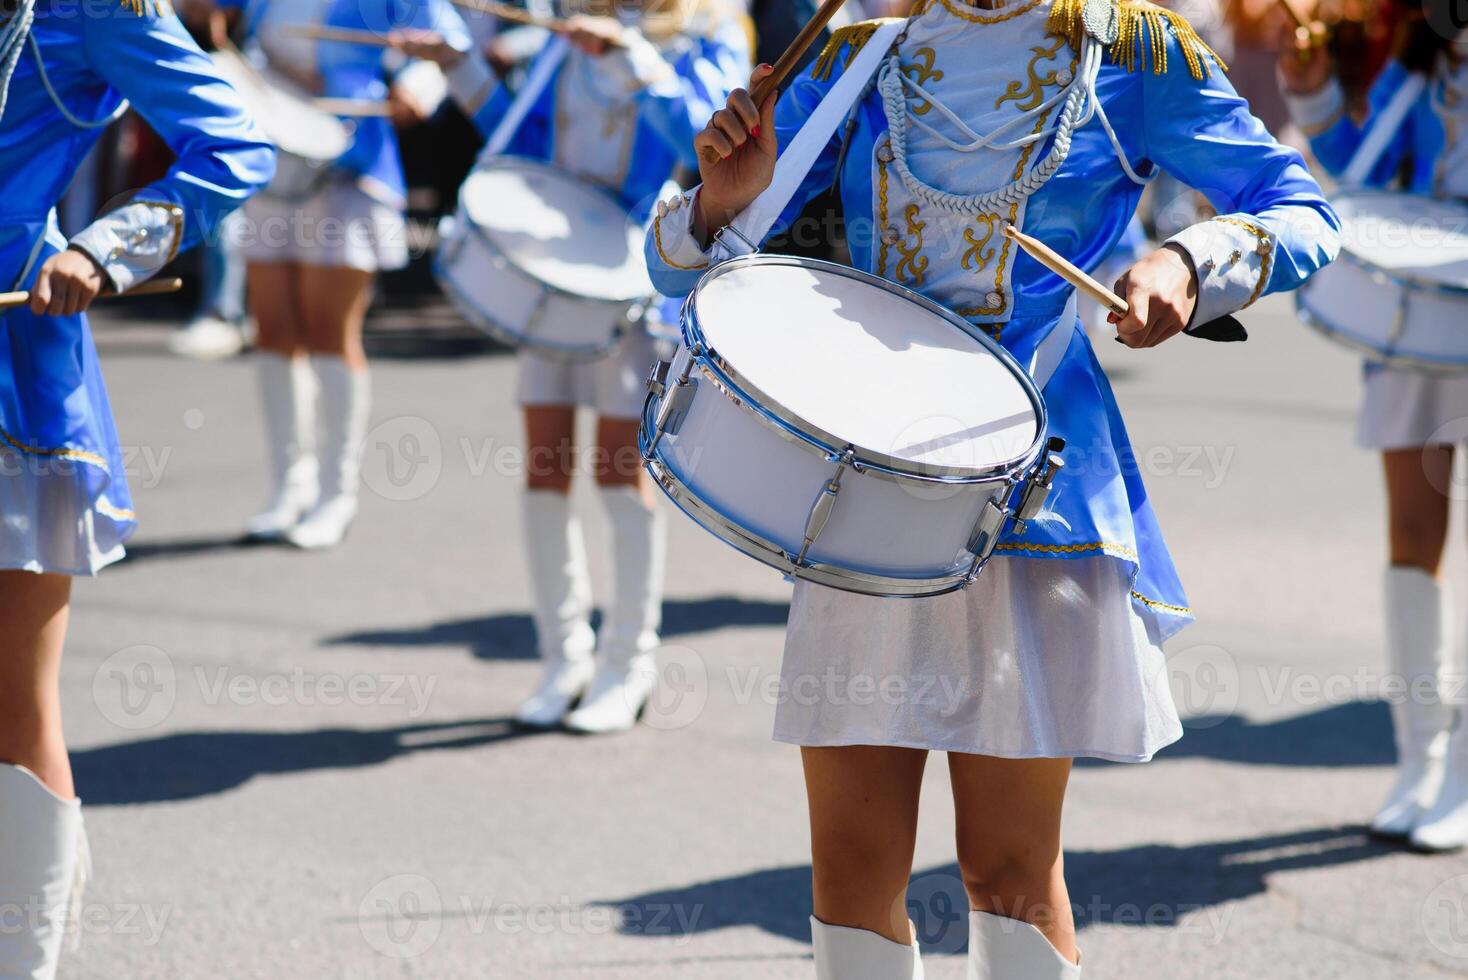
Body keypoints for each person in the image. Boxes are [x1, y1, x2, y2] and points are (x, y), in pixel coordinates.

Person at [647, 0, 1339, 974]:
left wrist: (1189, 262)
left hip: (1033, 494)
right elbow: (676, 272)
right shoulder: (852, 55)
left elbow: (1298, 205)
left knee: (1007, 867)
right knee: (849, 868)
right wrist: (722, 199)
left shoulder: (1132, 48)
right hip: (866, 487)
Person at [0, 0, 274, 975]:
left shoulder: (88, 11)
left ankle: (23, 958)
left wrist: (102, 249)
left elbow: (237, 144)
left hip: (11, 369)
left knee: (14, 700)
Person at [390, 0, 747, 734]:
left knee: (620, 473)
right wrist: (458, 66)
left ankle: (628, 663)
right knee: (544, 468)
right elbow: (518, 140)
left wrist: (632, 59)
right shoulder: (568, 28)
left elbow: (707, 145)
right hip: (555, 265)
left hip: (635, 273)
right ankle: (563, 658)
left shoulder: (709, 32)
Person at [1281, 1, 1468, 852]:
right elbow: (1357, 175)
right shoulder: (1420, 64)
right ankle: (1416, 758)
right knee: (1411, 538)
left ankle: (1462, 771)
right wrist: (1310, 92)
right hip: (1417, 330)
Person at [221, 0, 470, 549]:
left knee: (328, 333)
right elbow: (213, 16)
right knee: (273, 332)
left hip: (351, 165)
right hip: (270, 156)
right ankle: (288, 487)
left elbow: (451, 43)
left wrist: (418, 86)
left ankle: (337, 495)